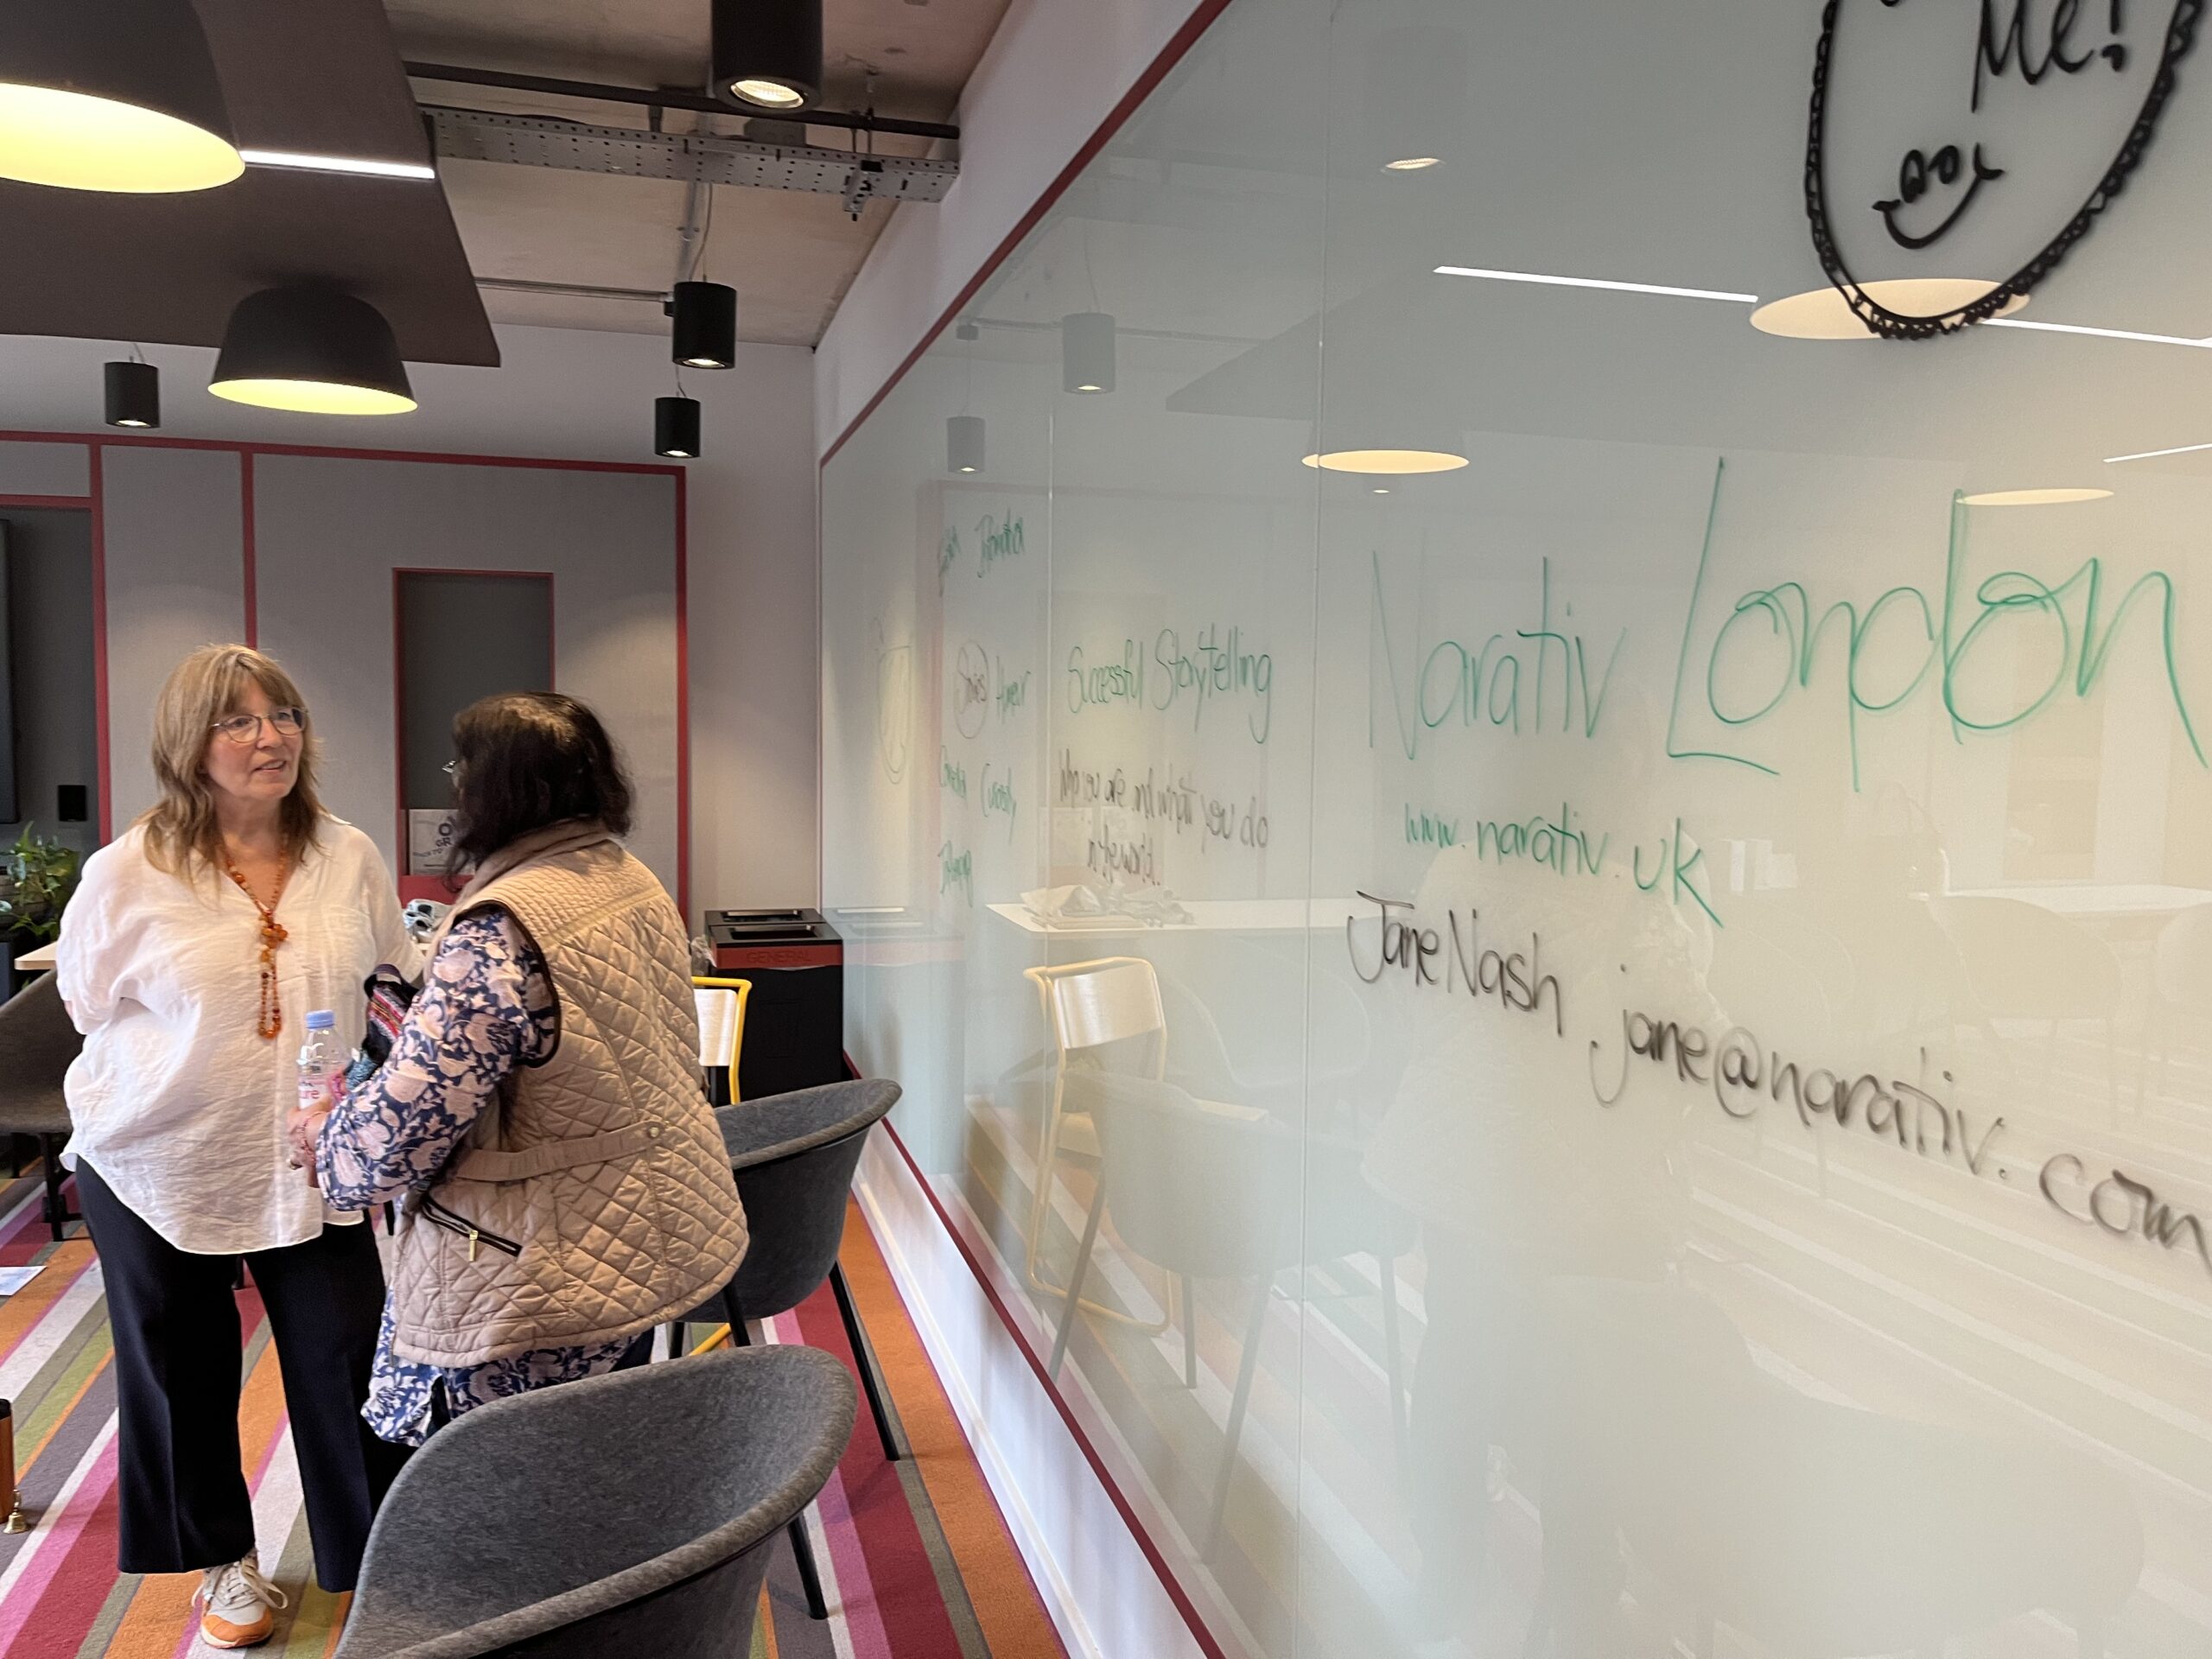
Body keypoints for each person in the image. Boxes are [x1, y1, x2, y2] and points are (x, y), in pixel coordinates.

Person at [57, 645, 418, 1650]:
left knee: (350, 1352)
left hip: (316, 1156)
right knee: (182, 1364)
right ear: (189, 745)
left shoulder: (346, 853)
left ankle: (377, 1554)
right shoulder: (129, 870)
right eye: (239, 721)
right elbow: (87, 1005)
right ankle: (222, 1560)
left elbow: (391, 972)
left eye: (284, 715)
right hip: (155, 1159)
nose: (271, 738)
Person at [299, 691, 747, 1446]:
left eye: (460, 767)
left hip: (539, 1276)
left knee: (513, 1508)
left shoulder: (500, 929)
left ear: (496, 790)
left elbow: (396, 1143)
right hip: (642, 1232)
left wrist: (323, 1141)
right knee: (603, 1467)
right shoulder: (627, 876)